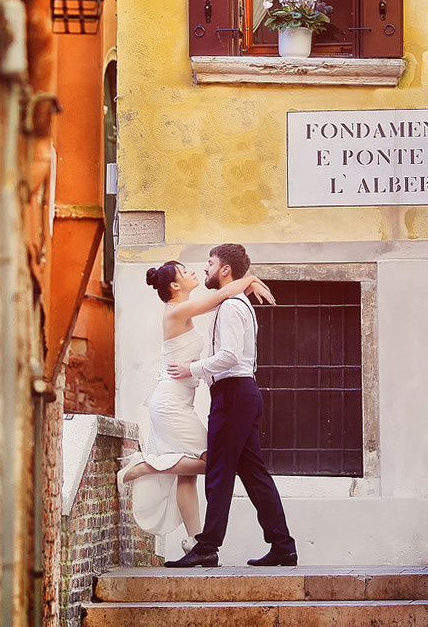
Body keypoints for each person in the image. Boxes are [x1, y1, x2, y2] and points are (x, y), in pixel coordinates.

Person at [117, 259, 274, 553]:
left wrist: (247, 283)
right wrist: (250, 278)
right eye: (185, 272)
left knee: (186, 475)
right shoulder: (178, 309)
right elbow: (222, 295)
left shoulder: (183, 308)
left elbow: (221, 299)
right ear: (175, 286)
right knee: (211, 462)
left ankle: (196, 544)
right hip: (171, 402)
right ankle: (144, 466)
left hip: (178, 400)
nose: (193, 272)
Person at [164, 243, 297, 569]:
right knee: (254, 475)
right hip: (240, 394)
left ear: (225, 270)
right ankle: (283, 546)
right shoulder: (234, 303)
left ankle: (207, 547)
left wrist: (192, 369)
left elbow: (230, 357)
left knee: (219, 473)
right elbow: (229, 357)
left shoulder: (232, 307)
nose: (206, 269)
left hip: (234, 396)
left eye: (210, 263)